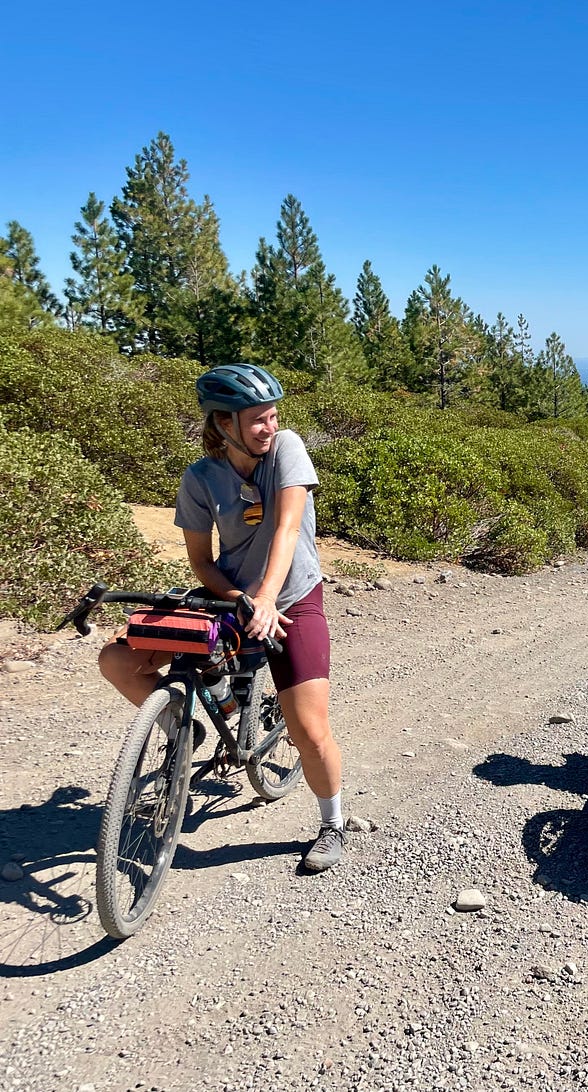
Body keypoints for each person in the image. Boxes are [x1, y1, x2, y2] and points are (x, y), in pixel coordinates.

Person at [99, 363, 347, 872]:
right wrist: (241, 597)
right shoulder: (200, 478)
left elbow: (287, 529)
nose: (269, 426)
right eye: (257, 419)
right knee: (119, 660)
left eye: (272, 415)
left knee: (308, 729)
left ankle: (332, 823)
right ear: (222, 424)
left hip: (293, 594)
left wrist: (268, 598)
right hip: (232, 594)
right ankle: (184, 727)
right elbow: (201, 562)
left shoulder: (287, 449)